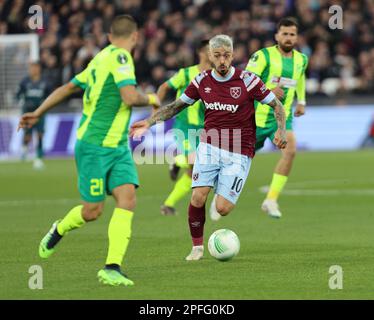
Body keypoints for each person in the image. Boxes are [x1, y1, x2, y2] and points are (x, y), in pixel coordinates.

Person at [18, 15, 160, 286]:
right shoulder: (120, 58)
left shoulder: (100, 58)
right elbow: (129, 97)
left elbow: (68, 87)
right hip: (93, 146)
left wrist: (38, 111)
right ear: (136, 37)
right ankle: (59, 228)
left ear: (108, 36)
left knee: (127, 198)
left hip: (117, 147)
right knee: (92, 211)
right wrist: (150, 98)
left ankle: (112, 267)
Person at [130, 34, 287, 261]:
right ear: (210, 57)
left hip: (239, 151)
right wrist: (149, 121)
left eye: (226, 55)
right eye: (217, 56)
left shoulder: (248, 80)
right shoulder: (201, 81)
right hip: (210, 146)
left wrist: (281, 130)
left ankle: (220, 192)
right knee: (197, 197)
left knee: (223, 208)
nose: (222, 60)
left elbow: (276, 104)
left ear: (232, 55)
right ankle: (197, 247)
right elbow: (175, 106)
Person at [244, 17, 308, 218]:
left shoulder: (301, 59)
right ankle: (221, 196)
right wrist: (268, 90)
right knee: (237, 162)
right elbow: (244, 82)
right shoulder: (263, 56)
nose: (288, 38)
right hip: (254, 119)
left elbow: (300, 77)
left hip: (282, 119)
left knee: (290, 151)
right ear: (277, 36)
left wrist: (302, 101)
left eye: (292, 34)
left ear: (296, 37)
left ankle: (271, 199)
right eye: (285, 34)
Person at [157, 39, 211, 216]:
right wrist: (156, 108)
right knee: (195, 162)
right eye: (211, 51)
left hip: (204, 128)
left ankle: (168, 204)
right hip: (184, 126)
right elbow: (165, 87)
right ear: (202, 53)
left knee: (194, 170)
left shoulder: (216, 76)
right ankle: (177, 160)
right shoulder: (185, 73)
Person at [16, 61, 50, 169]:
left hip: (40, 113)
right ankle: (24, 150)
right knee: (28, 135)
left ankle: (39, 156)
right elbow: (18, 95)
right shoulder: (25, 82)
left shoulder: (45, 82)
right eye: (32, 68)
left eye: (35, 67)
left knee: (40, 134)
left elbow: (49, 96)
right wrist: (21, 102)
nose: (34, 70)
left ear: (39, 68)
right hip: (27, 112)